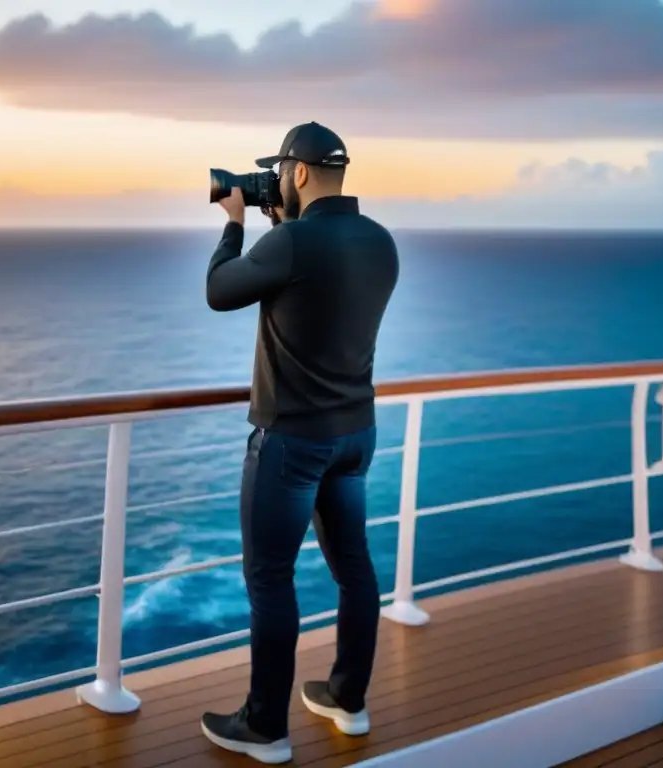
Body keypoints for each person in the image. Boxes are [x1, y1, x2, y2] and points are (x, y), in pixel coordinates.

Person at [200, 122, 400, 764]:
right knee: (355, 570)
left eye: (280, 171)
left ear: (301, 172)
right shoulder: (380, 241)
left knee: (270, 579)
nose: (275, 181)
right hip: (354, 436)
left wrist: (235, 221)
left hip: (291, 442)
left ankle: (265, 727)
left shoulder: (289, 241)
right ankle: (348, 700)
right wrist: (280, 225)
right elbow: (314, 288)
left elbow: (220, 291)